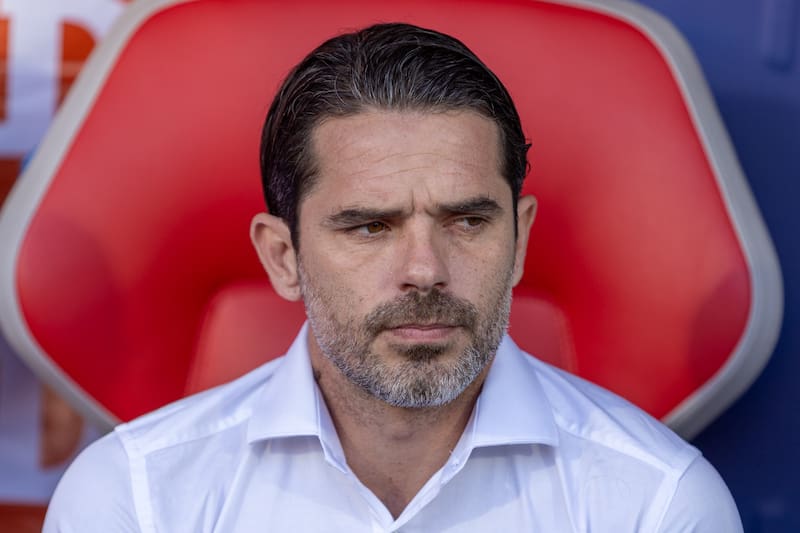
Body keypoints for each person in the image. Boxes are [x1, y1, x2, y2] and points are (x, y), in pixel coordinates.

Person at [43, 22, 743, 532]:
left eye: (468, 220)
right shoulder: (134, 497)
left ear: (520, 237)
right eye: (369, 225)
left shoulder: (658, 504)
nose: (425, 270)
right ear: (282, 256)